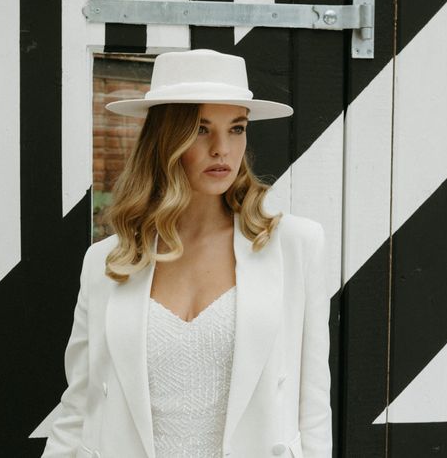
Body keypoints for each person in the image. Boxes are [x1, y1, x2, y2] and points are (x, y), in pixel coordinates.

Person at [41, 49, 332, 458]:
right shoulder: (108, 261)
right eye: (200, 129)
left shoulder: (295, 246)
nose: (222, 149)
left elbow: (314, 407)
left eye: (236, 128)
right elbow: (79, 405)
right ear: (165, 138)